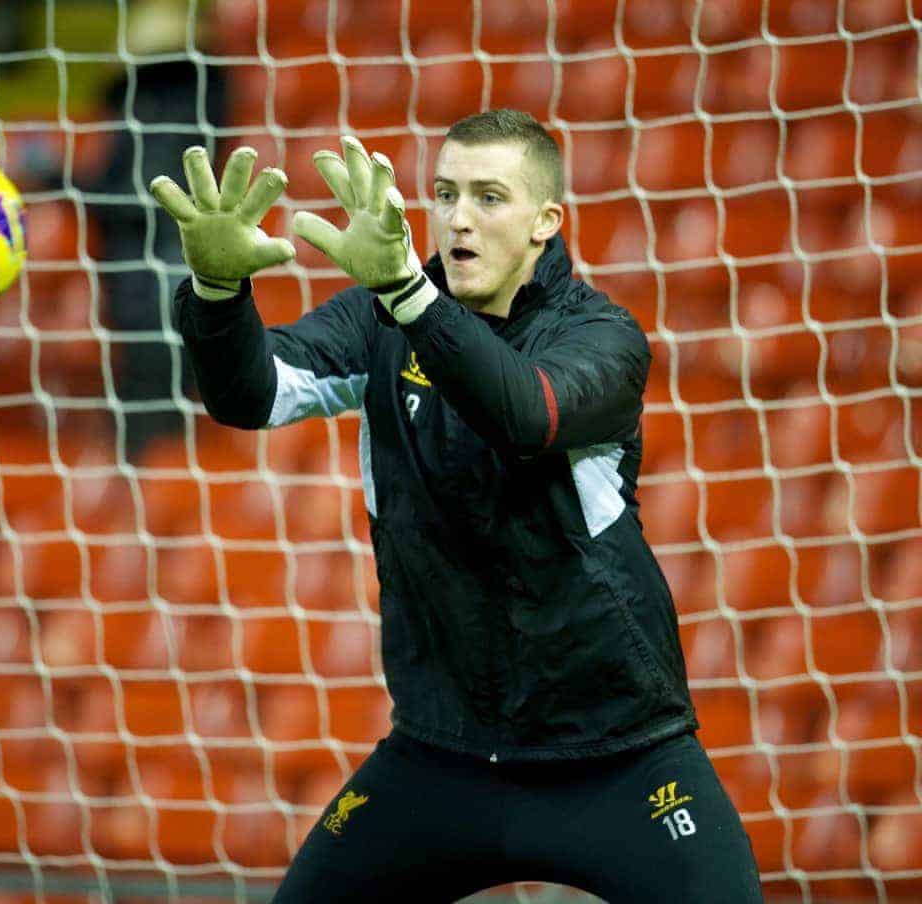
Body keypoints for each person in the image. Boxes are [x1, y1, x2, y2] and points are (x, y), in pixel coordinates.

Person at [151, 109, 763, 903]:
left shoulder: (604, 338)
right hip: (441, 755)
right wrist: (217, 292)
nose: (459, 217)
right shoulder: (382, 318)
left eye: (489, 196)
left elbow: (525, 416)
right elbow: (250, 395)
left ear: (546, 221)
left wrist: (407, 291)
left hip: (618, 755)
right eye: (444, 194)